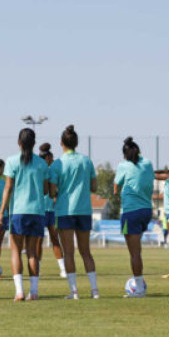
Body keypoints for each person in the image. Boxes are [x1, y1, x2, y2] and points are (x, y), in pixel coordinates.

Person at [0, 128, 49, 302]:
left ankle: (19, 292)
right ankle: (33, 292)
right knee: (33, 252)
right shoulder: (42, 164)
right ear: (34, 144)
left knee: (16, 252)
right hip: (37, 212)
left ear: (19, 143)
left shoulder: (11, 161)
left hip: (18, 212)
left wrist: (1, 212)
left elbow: (8, 189)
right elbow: (46, 190)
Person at [49, 125, 98, 299]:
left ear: (61, 143)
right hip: (84, 210)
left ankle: (74, 292)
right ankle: (95, 291)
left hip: (64, 211)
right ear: (76, 143)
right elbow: (94, 186)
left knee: (68, 253)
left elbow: (52, 190)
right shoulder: (87, 161)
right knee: (86, 252)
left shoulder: (57, 164)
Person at [114, 137, 155, 298]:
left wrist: (118, 192)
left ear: (124, 154)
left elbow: (116, 187)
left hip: (130, 212)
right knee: (137, 251)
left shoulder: (123, 165)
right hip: (146, 211)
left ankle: (139, 289)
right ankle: (139, 285)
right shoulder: (147, 163)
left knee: (135, 253)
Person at [38, 143, 66, 279]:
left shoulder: (53, 170)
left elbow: (55, 190)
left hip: (52, 211)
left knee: (55, 239)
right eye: (51, 157)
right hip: (39, 210)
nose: (53, 159)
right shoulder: (39, 169)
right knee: (38, 241)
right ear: (47, 157)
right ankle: (37, 268)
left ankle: (63, 269)